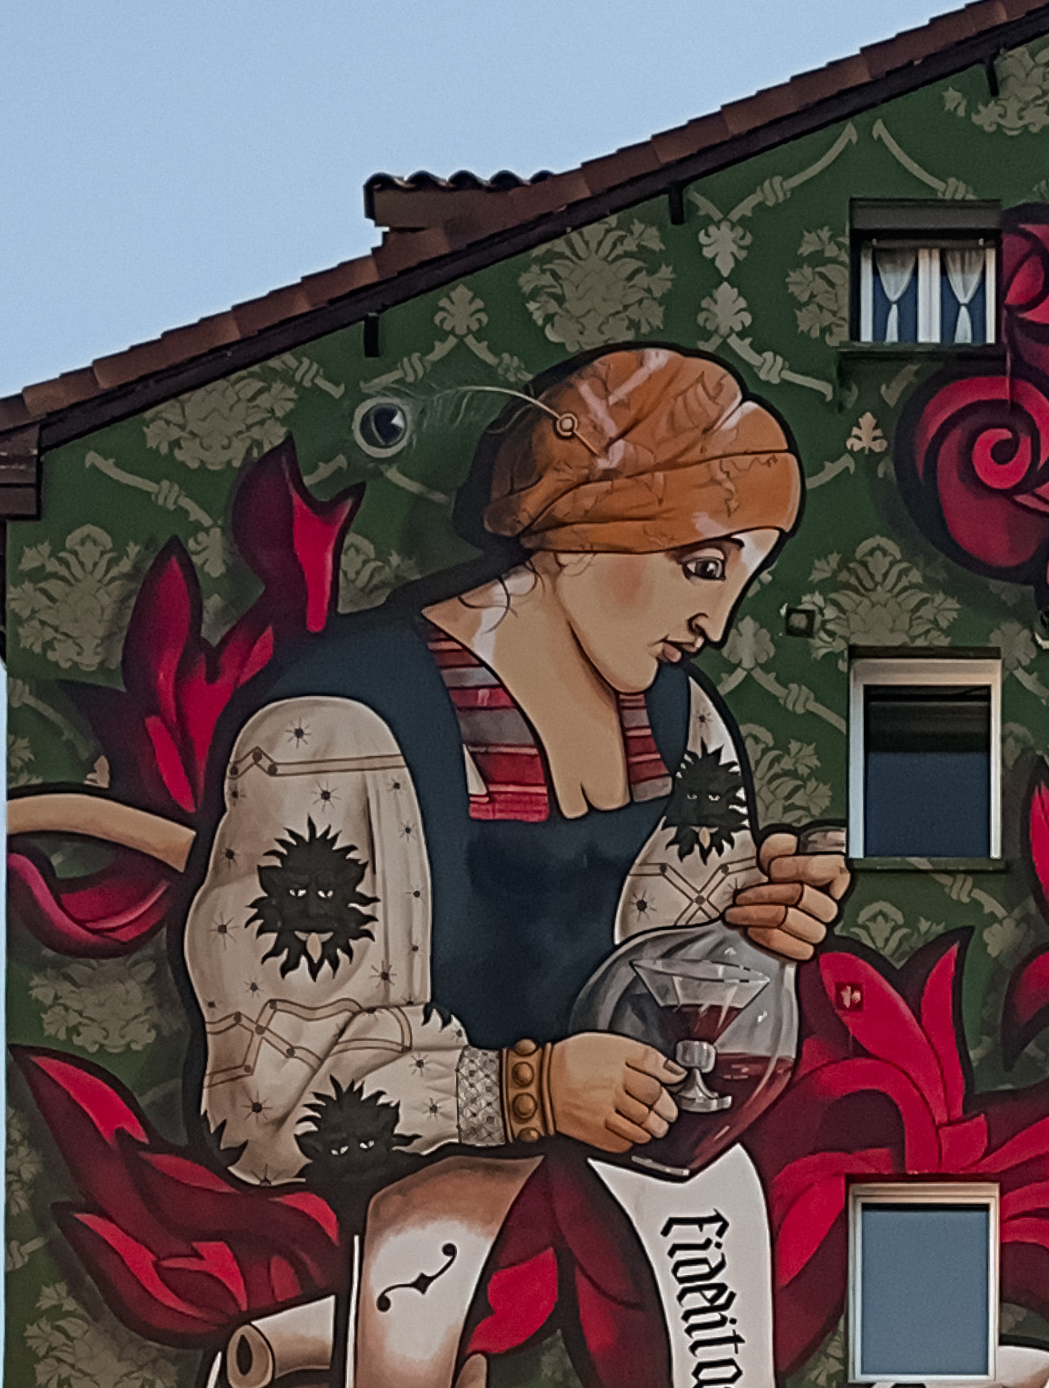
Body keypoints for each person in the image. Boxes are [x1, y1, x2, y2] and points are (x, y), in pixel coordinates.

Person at [176, 344, 851, 1185]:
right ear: (583, 523)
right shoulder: (337, 735)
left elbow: (682, 995)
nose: (713, 625)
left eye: (738, 583)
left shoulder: (684, 724)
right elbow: (262, 1112)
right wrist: (522, 1094)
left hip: (623, 1215)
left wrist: (755, 928)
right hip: (397, 1238)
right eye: (701, 568)